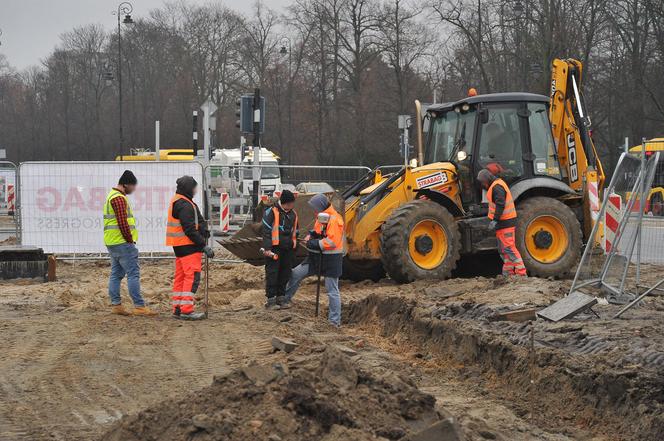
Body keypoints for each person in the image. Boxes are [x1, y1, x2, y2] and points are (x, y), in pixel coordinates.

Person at [285, 194, 344, 327]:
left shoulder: (334, 219)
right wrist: (312, 234)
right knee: (295, 274)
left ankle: (334, 322)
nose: (314, 211)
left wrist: (312, 243)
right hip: (315, 258)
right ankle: (284, 300)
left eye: (315, 208)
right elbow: (318, 231)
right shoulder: (322, 216)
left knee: (332, 290)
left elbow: (331, 242)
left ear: (321, 207)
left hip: (331, 259)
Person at [103, 170, 157, 316]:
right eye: (133, 186)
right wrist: (129, 239)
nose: (134, 189)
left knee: (116, 274)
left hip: (112, 241)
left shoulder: (111, 196)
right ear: (125, 184)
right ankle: (139, 306)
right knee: (133, 273)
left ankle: (116, 305)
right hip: (122, 242)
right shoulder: (119, 199)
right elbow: (122, 223)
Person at [165, 176, 214, 320]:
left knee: (181, 277)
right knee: (192, 277)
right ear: (188, 188)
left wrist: (203, 229)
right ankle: (187, 310)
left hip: (180, 246)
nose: (195, 190)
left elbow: (195, 222)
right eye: (194, 187)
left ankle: (178, 308)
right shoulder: (184, 204)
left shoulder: (179, 201)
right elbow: (190, 230)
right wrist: (203, 246)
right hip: (188, 246)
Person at [477, 169, 527, 276]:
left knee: (509, 248)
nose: (482, 185)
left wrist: (495, 220)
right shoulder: (495, 186)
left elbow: (500, 204)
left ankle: (521, 274)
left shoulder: (497, 187)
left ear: (487, 179)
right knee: (504, 250)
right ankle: (508, 274)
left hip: (506, 223)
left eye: (482, 182)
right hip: (502, 224)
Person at [261, 190, 299, 310]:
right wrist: (268, 248)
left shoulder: (293, 214)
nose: (292, 205)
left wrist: (294, 245)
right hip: (274, 249)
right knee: (273, 274)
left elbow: (296, 231)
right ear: (285, 202)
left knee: (285, 274)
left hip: (287, 249)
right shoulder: (271, 212)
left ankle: (281, 298)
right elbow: (266, 232)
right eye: (291, 203)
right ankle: (271, 300)